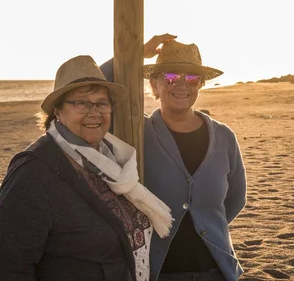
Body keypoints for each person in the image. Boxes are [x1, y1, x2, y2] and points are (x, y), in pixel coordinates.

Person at [0, 55, 173, 281]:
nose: (94, 112)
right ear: (57, 110)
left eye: (102, 103)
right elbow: (9, 267)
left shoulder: (113, 159)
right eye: (81, 103)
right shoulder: (32, 171)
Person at [102, 37, 247, 281]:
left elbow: (235, 199)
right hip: (157, 272)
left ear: (200, 84)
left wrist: (205, 222)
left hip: (217, 271)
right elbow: (86, 88)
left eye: (191, 78)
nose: (181, 84)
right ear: (154, 85)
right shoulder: (136, 133)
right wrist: (133, 55)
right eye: (170, 76)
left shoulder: (224, 137)